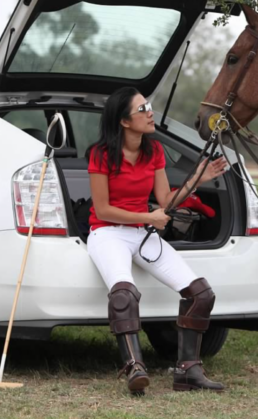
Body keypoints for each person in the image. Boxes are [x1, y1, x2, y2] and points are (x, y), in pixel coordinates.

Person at [85, 87, 228, 394]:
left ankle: (187, 372)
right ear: (124, 121)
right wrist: (149, 217)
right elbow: (103, 209)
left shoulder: (154, 151)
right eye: (142, 109)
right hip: (107, 233)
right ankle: (134, 367)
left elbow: (165, 199)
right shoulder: (101, 154)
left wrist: (196, 180)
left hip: (142, 233)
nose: (150, 113)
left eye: (148, 106)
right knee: (124, 294)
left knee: (201, 294)